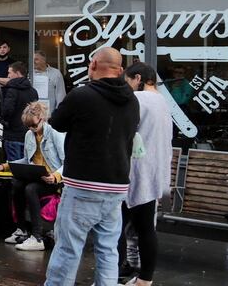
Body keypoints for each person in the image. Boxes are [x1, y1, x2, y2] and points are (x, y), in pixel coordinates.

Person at [44, 47, 140, 286]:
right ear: (119, 69)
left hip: (83, 184)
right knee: (108, 250)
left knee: (68, 247)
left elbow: (56, 123)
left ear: (94, 64)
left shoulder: (82, 95)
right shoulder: (132, 100)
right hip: (116, 186)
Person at [117, 62, 173, 286]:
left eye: (127, 81)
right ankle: (145, 280)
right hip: (155, 172)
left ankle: (109, 276)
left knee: (115, 228)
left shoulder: (138, 100)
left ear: (137, 78)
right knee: (146, 229)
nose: (127, 87)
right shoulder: (163, 101)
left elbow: (124, 132)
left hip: (133, 172)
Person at [0, 101, 65, 252]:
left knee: (31, 189)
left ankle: (37, 237)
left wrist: (56, 175)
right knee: (16, 183)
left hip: (55, 179)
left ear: (42, 118)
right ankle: (21, 230)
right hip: (38, 176)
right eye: (29, 127)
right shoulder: (29, 135)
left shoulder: (55, 134)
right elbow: (26, 160)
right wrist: (5, 166)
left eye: (34, 126)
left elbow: (68, 162)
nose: (32, 129)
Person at [0, 62, 38, 162]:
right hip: (28, 135)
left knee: (14, 166)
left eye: (10, 73)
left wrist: (4, 121)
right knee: (26, 164)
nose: (8, 76)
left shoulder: (12, 90)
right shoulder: (33, 91)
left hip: (13, 134)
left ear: (17, 73)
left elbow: (7, 110)